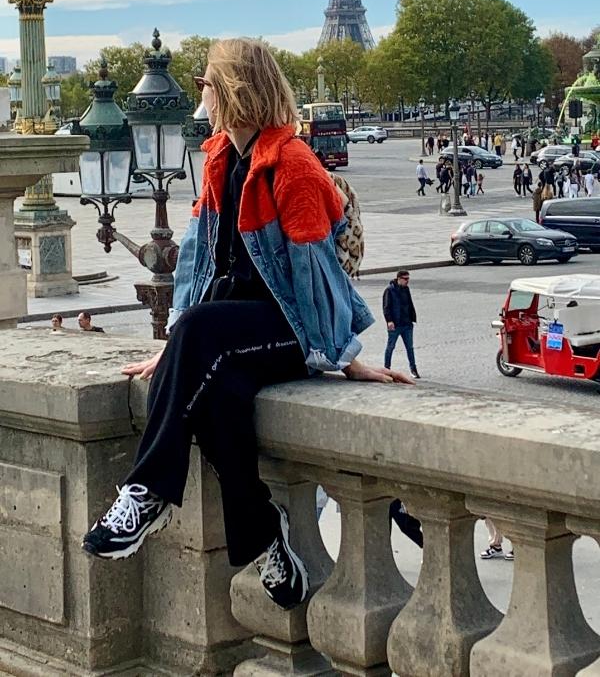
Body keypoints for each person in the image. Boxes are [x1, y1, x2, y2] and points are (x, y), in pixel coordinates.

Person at [81, 38, 415, 611]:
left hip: (288, 328)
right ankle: (263, 536)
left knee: (199, 336)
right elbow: (196, 258)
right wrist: (176, 347)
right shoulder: (218, 159)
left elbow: (317, 276)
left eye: (207, 82)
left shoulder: (294, 165)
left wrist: (342, 356)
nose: (200, 92)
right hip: (233, 332)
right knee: (217, 397)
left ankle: (148, 491)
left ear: (232, 90)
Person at [383, 270, 420, 379]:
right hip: (395, 325)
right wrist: (389, 321)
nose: (407, 281)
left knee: (410, 348)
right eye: (405, 279)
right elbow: (386, 307)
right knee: (390, 347)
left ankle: (413, 369)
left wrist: (412, 318)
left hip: (407, 324)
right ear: (398, 278)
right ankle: (386, 369)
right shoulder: (389, 291)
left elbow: (409, 303)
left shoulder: (406, 289)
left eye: (408, 279)